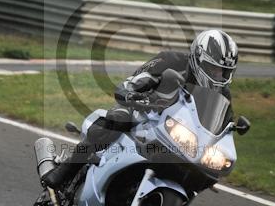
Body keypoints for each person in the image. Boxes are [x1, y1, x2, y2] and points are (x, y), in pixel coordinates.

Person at [42, 29, 238, 189]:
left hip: (178, 138)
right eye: (213, 69)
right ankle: (64, 172)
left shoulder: (223, 96)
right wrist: (132, 94)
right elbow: (134, 80)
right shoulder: (171, 61)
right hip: (145, 114)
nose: (218, 75)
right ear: (197, 58)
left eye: (224, 72)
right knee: (116, 119)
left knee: (208, 170)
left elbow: (221, 128)